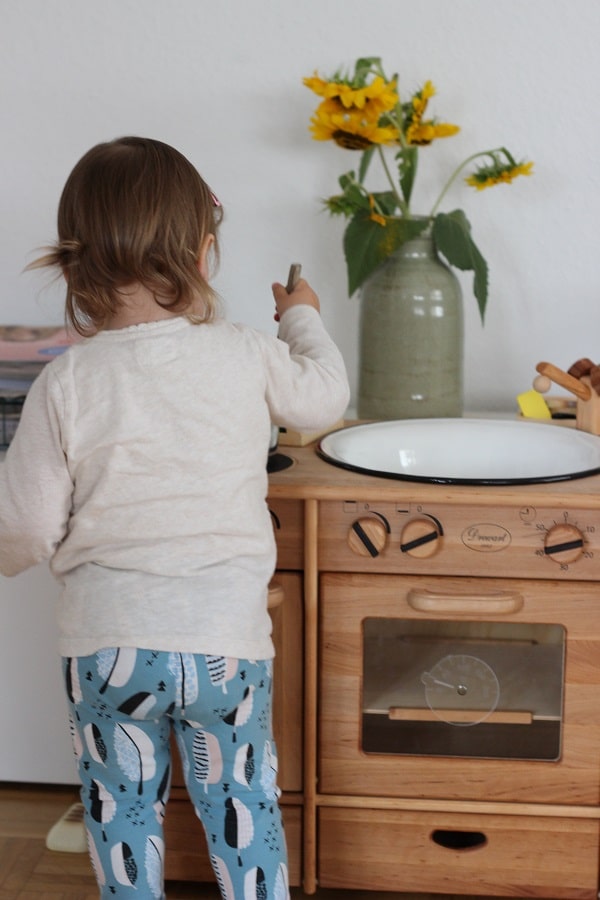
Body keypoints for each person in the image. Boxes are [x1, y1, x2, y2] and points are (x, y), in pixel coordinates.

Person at [0, 136, 349, 899]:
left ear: (74, 264)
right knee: (243, 809)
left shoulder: (66, 382)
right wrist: (301, 318)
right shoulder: (243, 352)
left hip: (109, 651)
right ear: (204, 252)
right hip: (224, 649)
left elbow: (22, 526)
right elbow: (323, 399)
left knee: (122, 816)